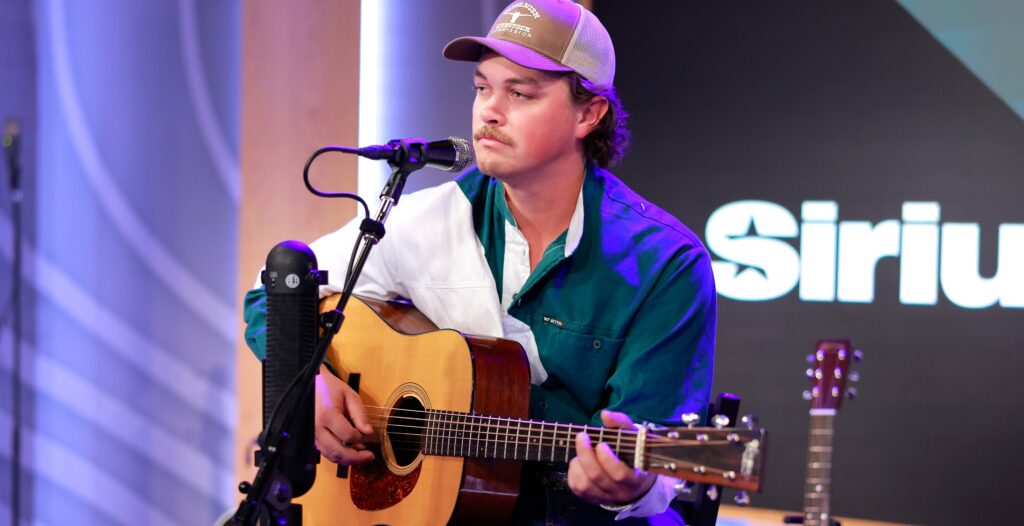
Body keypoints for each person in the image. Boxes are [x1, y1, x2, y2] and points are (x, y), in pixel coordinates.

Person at [243, 0, 716, 523]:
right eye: (482, 88)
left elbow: (656, 462)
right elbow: (272, 293)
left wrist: (628, 484)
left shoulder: (664, 262)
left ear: (588, 113)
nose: (489, 111)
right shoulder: (431, 218)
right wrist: (310, 384)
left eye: (520, 93)